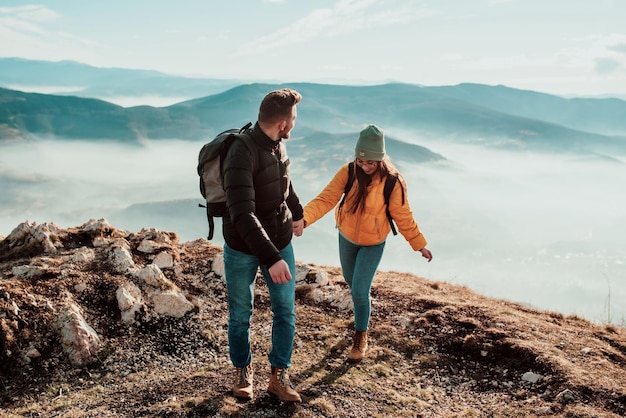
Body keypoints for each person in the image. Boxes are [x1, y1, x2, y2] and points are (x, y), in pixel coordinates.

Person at [302, 124, 433, 363]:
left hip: (373, 243)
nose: (364, 166)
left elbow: (403, 216)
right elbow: (327, 198)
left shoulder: (393, 182)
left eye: (370, 162)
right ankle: (362, 317)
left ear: (380, 159)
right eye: (360, 161)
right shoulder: (349, 171)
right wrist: (304, 218)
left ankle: (360, 336)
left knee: (360, 291)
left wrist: (419, 243)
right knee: (353, 286)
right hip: (347, 237)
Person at [221, 88, 305, 402]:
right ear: (283, 123)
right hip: (243, 245)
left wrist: (297, 214)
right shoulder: (241, 152)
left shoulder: (278, 144)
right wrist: (272, 258)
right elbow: (242, 213)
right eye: (294, 118)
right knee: (241, 313)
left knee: (285, 311)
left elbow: (283, 180)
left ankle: (278, 377)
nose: (295, 124)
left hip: (280, 239)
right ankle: (243, 371)